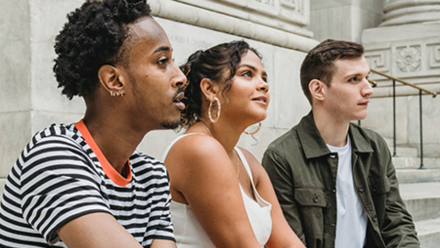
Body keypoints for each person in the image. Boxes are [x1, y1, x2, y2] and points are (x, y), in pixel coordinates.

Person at [0, 0, 186, 247]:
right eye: (162, 61)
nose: (181, 77)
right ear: (114, 80)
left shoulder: (152, 176)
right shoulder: (54, 155)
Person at [262, 39, 420, 248]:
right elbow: (289, 242)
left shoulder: (374, 146)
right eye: (354, 80)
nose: (368, 89)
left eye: (367, 78)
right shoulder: (281, 157)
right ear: (318, 89)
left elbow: (397, 222)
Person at [162, 40, 305, 248]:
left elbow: (288, 243)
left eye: (264, 77)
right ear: (209, 89)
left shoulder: (247, 162)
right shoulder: (198, 149)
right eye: (247, 74)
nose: (264, 84)